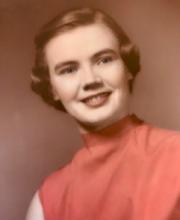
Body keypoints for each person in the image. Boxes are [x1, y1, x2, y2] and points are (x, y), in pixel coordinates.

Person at [26, 7, 180, 220]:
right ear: (52, 88)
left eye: (104, 60)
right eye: (69, 69)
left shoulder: (175, 156)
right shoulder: (47, 199)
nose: (90, 80)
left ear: (126, 67)